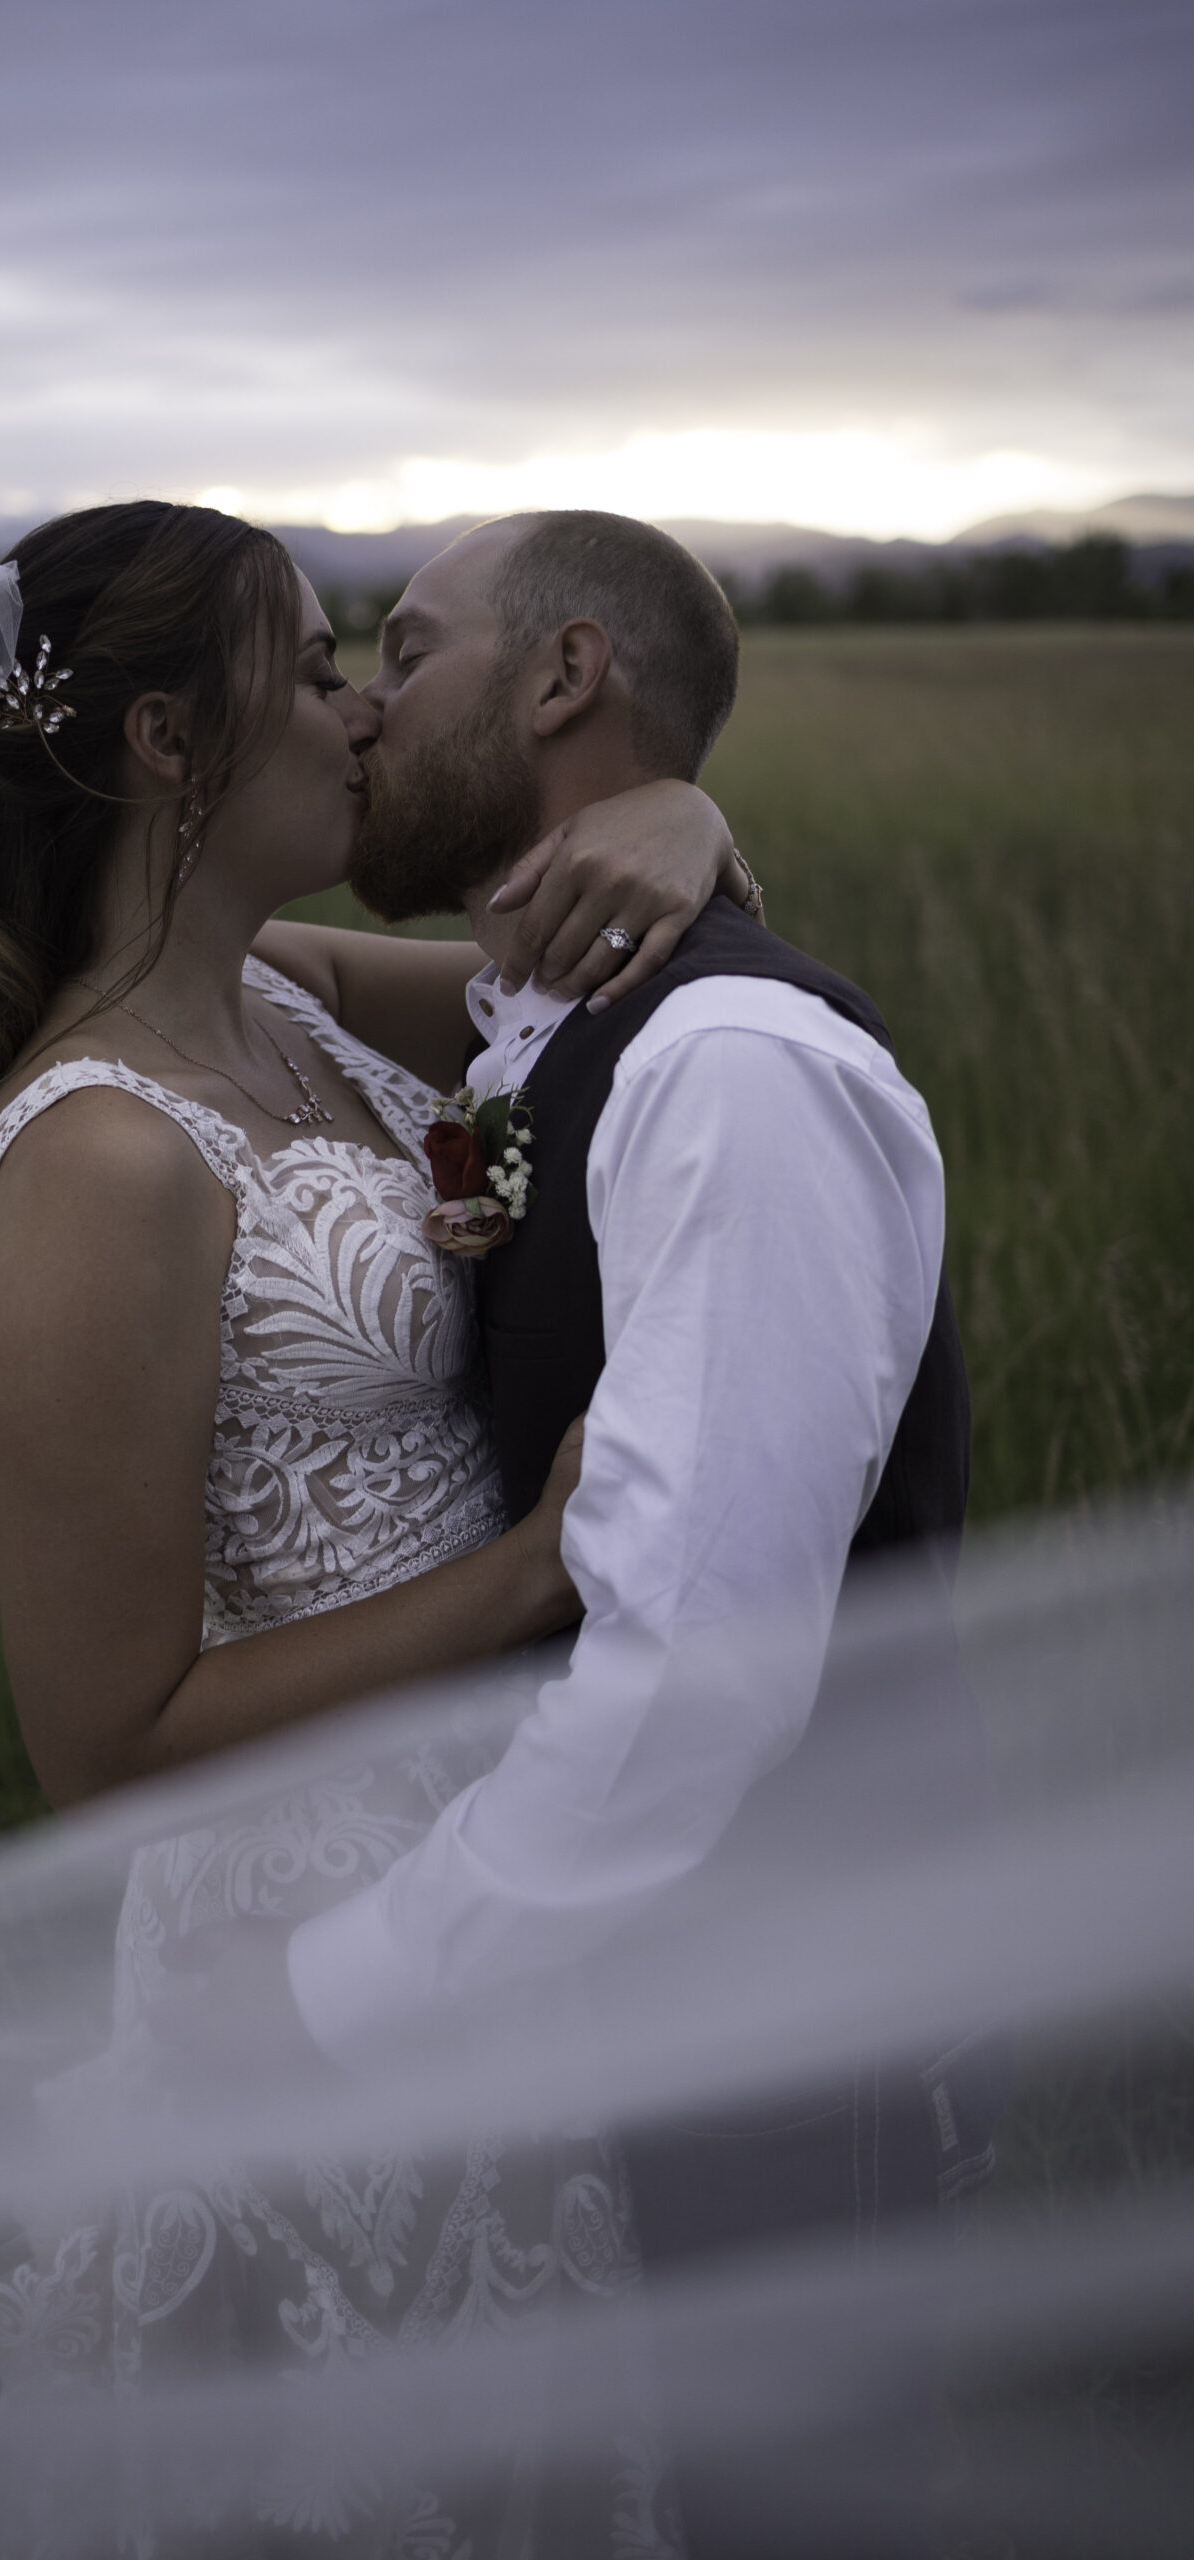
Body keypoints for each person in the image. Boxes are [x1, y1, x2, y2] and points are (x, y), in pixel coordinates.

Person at [0, 499, 760, 2554]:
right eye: (306, 668)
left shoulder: (279, 999)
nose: (361, 711)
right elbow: (98, 1738)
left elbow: (572, 986)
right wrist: (533, 1566)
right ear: (167, 747)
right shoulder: (101, 1154)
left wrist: (677, 828)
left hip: (485, 1859)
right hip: (293, 1931)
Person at [279, 510, 1000, 2558]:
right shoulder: (551, 1017)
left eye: (399, 652)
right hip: (645, 1988)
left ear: (561, 675)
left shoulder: (730, 1071)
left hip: (802, 2022)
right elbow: (235, 958)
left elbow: (694, 1679)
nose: (356, 702)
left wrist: (342, 1988)